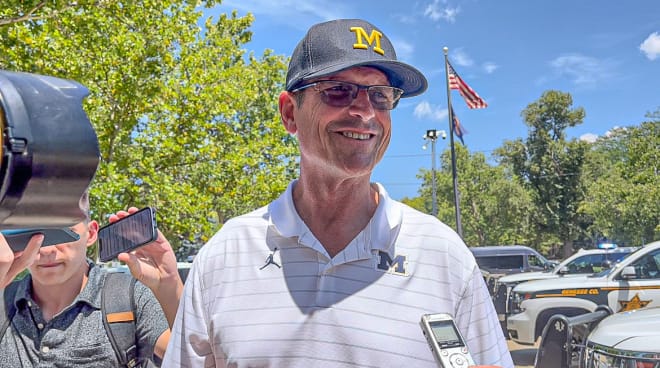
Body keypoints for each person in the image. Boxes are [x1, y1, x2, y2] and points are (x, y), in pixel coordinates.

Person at [163, 18, 513, 368]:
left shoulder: (445, 256)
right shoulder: (224, 255)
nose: (365, 111)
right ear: (289, 113)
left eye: (380, 95)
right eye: (338, 90)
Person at [0, 192, 183, 367]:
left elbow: (192, 358)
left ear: (91, 233)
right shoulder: (3, 298)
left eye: (63, 232)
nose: (47, 250)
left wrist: (169, 284)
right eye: (35, 235)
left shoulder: (129, 297)